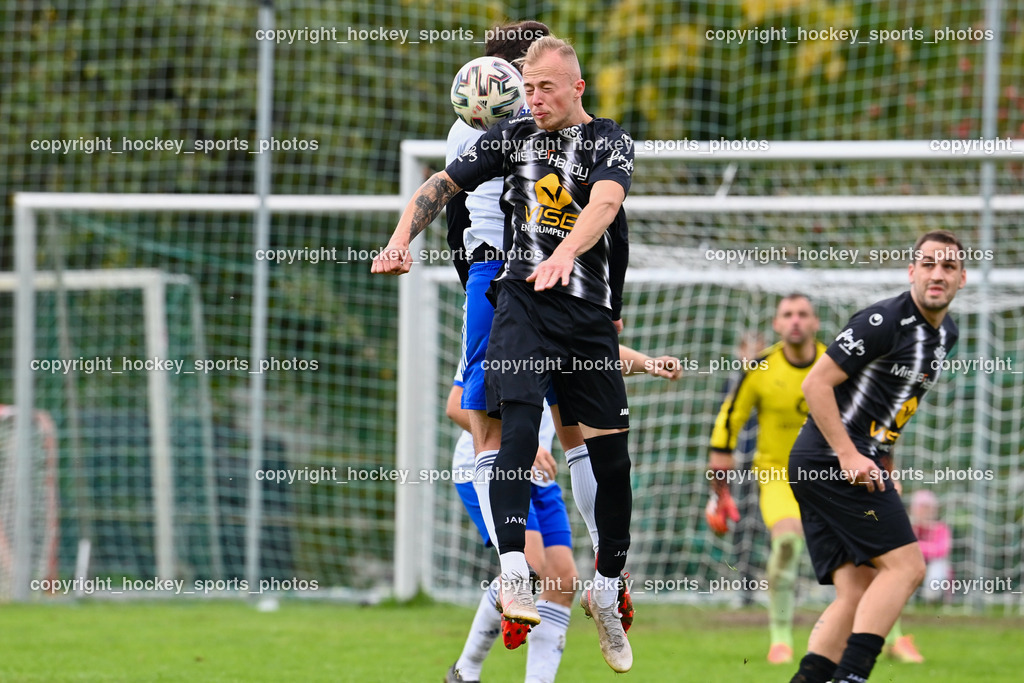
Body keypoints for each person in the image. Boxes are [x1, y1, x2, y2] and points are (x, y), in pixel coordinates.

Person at [373, 35, 637, 672]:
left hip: (585, 308)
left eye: (545, 87)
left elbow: (607, 203)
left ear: (576, 87)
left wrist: (569, 256)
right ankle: (514, 570)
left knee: (611, 458)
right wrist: (401, 237)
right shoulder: (511, 136)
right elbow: (442, 182)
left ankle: (609, 588)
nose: (534, 98)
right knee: (516, 422)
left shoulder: (609, 141)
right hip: (520, 296)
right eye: (528, 87)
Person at [786, 230, 965, 683]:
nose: (937, 274)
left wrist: (887, 465)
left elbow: (894, 406)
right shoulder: (883, 320)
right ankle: (854, 677)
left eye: (947, 267)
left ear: (962, 278)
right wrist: (849, 456)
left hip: (837, 463)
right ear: (912, 272)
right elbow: (815, 384)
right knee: (907, 567)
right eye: (928, 264)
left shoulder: (947, 334)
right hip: (831, 461)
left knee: (858, 589)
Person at [705, 293, 825, 664]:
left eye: (803, 314)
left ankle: (895, 637)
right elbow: (727, 428)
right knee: (787, 541)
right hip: (777, 473)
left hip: (832, 474)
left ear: (815, 322)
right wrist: (718, 494)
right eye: (787, 314)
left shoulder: (834, 364)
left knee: (868, 554)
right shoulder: (759, 369)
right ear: (776, 323)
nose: (795, 321)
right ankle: (781, 638)